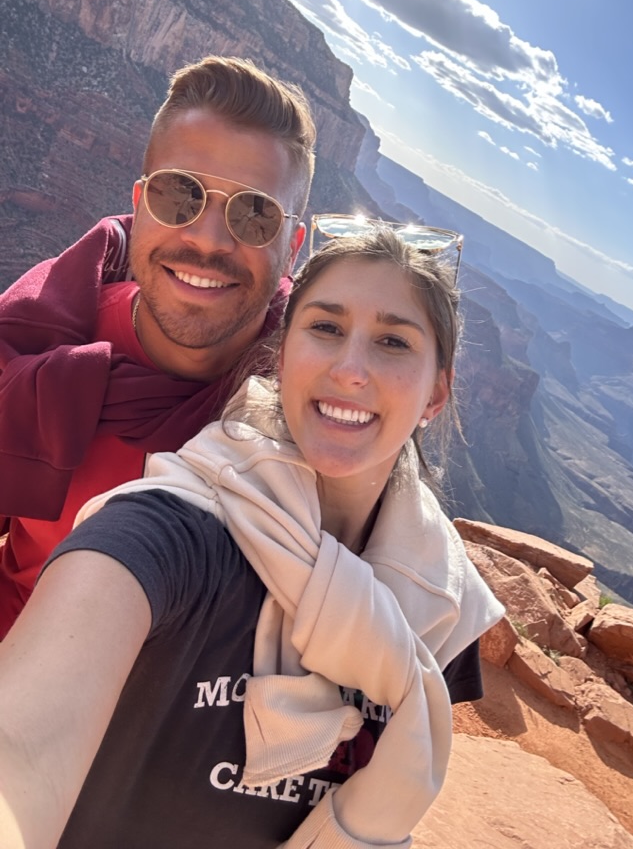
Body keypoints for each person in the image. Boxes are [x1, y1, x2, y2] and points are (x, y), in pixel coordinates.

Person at [0, 224, 504, 849]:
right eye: (325, 327)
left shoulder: (443, 610)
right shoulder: (167, 530)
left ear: (437, 392)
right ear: (284, 351)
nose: (350, 369)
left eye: (393, 341)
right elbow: (21, 742)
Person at [0, 54, 316, 637]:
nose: (207, 239)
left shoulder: (307, 399)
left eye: (255, 214)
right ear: (140, 200)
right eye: (180, 196)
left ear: (292, 245)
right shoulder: (36, 354)